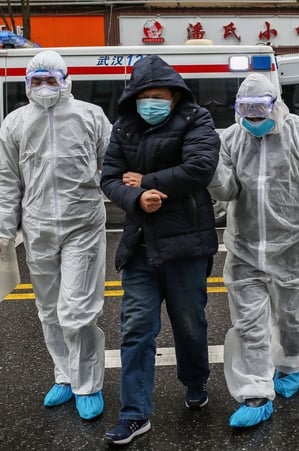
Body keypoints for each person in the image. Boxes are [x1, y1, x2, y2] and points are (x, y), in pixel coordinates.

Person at [208, 73, 299, 428]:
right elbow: (225, 192)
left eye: (260, 110)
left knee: (292, 320)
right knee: (249, 325)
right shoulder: (232, 138)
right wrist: (209, 169)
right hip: (245, 248)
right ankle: (255, 393)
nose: (253, 119)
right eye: (246, 111)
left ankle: (290, 362)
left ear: (277, 104)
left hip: (292, 247)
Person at [99, 54, 220, 445]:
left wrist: (149, 181)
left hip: (186, 243)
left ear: (174, 94)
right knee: (135, 329)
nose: (151, 101)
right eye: (144, 95)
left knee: (189, 324)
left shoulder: (196, 119)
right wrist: (136, 197)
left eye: (159, 95)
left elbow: (202, 167)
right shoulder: (125, 126)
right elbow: (110, 178)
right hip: (140, 247)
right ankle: (135, 414)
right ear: (134, 96)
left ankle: (195, 380)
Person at [0, 50, 113, 421]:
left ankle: (88, 384)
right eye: (36, 80)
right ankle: (65, 374)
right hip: (38, 226)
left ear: (65, 80)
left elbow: (115, 164)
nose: (44, 87)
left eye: (51, 79)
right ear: (27, 84)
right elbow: (6, 177)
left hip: (83, 224)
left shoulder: (90, 116)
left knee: (77, 310)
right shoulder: (16, 123)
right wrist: (2, 230)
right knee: (49, 310)